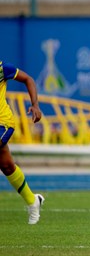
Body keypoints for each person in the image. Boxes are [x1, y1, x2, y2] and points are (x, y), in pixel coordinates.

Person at [1, 61, 45, 224]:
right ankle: (33, 201)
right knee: (6, 166)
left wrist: (35, 105)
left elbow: (28, 79)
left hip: (3, 123)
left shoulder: (1, 69)